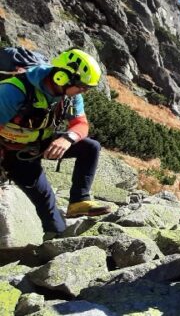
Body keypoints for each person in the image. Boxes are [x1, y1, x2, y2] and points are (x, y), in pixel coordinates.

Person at [0, 48, 111, 239]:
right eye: (82, 86)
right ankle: (54, 243)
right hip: (12, 152)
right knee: (45, 200)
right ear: (62, 77)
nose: (83, 91)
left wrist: (67, 139)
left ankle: (78, 201)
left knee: (90, 147)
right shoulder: (14, 91)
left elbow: (81, 124)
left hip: (38, 143)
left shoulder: (70, 95)